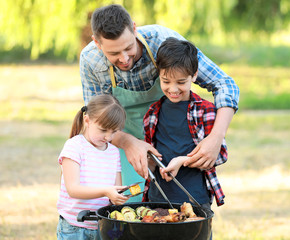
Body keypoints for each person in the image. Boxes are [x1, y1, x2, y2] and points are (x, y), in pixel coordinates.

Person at [80, 4, 239, 202]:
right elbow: (97, 120)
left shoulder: (163, 41)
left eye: (129, 47)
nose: (124, 58)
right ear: (97, 43)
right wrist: (128, 142)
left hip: (169, 142)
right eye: (114, 54)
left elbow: (225, 84)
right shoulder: (90, 61)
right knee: (131, 213)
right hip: (120, 142)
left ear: (134, 28)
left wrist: (215, 137)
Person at [143, 38, 227, 210]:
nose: (173, 89)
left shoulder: (206, 111)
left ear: (194, 75)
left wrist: (182, 161)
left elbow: (220, 155)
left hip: (195, 199)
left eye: (181, 82)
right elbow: (151, 154)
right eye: (166, 81)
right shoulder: (152, 113)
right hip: (157, 199)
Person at [56, 94, 129, 240]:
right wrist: (106, 191)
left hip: (103, 226)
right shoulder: (75, 146)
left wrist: (118, 196)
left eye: (114, 132)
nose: (108, 137)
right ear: (87, 120)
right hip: (74, 227)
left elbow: (116, 188)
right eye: (103, 130)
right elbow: (73, 189)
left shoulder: (114, 152)